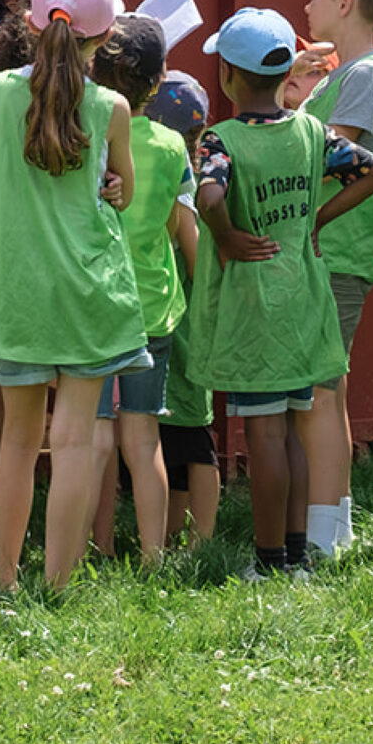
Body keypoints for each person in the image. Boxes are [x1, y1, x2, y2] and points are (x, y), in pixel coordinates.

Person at [0, 0, 146, 591]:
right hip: (88, 293)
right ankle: (58, 585)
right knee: (73, 444)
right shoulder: (113, 109)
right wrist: (116, 188)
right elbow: (120, 191)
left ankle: (4, 579)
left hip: (18, 295)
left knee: (18, 441)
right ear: (106, 38)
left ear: (34, 25)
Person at [190, 7, 373, 576]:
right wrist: (317, 222)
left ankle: (268, 558)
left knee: (265, 434)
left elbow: (208, 198)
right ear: (284, 75)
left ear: (228, 75)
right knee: (298, 428)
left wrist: (226, 236)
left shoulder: (220, 139)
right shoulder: (309, 129)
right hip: (304, 296)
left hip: (255, 307)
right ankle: (299, 555)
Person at [297, 0, 373, 559]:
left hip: (335, 249)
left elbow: (335, 156)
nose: (307, 6)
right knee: (328, 390)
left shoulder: (364, 74)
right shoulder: (352, 72)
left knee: (318, 391)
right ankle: (333, 531)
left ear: (345, 2)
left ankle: (319, 539)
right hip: (334, 250)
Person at [83, 15, 196, 563]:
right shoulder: (175, 144)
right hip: (155, 306)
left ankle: (92, 547)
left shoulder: (91, 133)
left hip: (100, 306)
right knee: (143, 436)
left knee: (97, 437)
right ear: (161, 79)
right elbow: (180, 223)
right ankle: (153, 554)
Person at [145, 70, 224, 548]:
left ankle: (204, 537)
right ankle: (174, 530)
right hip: (174, 321)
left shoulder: (185, 187)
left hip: (189, 327)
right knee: (171, 437)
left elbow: (195, 259)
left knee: (196, 439)